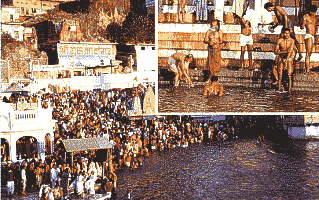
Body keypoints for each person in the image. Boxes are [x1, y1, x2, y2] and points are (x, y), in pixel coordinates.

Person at [274, 28, 297, 92]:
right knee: (280, 75)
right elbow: (275, 52)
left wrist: (286, 61)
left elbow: (290, 52)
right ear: (283, 33)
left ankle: (289, 91)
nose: (286, 35)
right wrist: (284, 52)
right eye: (285, 33)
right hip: (281, 57)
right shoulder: (280, 40)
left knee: (289, 75)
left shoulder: (292, 41)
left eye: (287, 33)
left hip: (288, 57)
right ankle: (279, 90)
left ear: (289, 33)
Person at [301, 4, 318, 74]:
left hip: (313, 36)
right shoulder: (306, 16)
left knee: (310, 53)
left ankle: (307, 69)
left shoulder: (315, 17)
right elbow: (302, 27)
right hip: (308, 36)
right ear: (310, 11)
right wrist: (304, 21)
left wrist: (316, 29)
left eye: (314, 12)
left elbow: (315, 26)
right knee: (308, 54)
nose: (313, 13)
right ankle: (307, 70)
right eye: (312, 12)